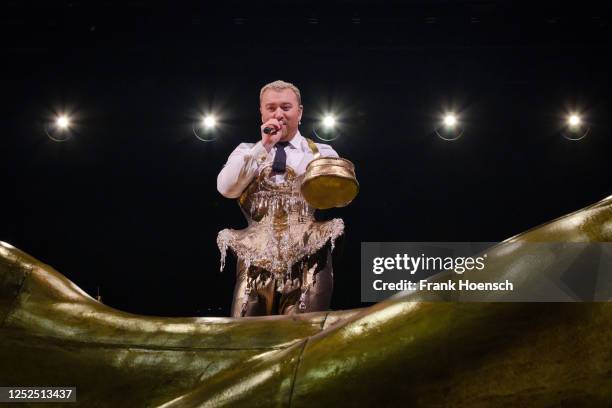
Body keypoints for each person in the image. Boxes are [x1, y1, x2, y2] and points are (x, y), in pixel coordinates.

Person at [217, 80, 345, 317]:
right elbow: (227, 188)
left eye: (286, 107)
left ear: (300, 112)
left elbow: (339, 197)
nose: (278, 114)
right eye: (271, 108)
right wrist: (263, 147)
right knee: (245, 335)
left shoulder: (322, 153)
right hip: (255, 260)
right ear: (262, 112)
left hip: (308, 259)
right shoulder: (246, 151)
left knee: (302, 337)